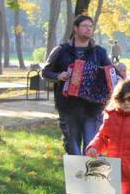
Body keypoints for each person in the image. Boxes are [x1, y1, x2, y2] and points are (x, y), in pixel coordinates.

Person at [43, 15, 111, 155]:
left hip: (93, 107)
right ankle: (75, 169)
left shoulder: (99, 52)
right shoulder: (61, 50)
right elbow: (45, 72)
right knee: (72, 146)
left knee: (92, 146)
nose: (88, 29)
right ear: (75, 28)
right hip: (68, 106)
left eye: (90, 26)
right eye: (85, 26)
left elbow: (110, 74)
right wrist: (58, 76)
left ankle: (91, 170)